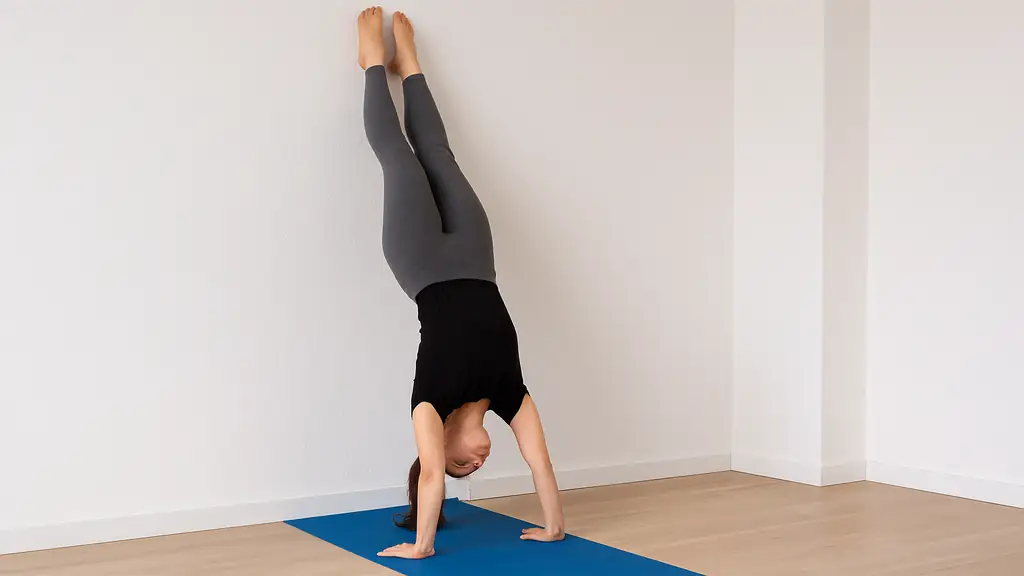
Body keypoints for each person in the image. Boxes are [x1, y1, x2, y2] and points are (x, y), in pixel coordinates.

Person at [356, 7, 565, 560]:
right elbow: (540, 462)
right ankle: (414, 68)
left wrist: (422, 546)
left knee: (399, 159)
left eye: (461, 465)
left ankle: (374, 65)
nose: (477, 463)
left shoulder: (429, 401)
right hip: (477, 258)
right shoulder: (510, 393)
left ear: (443, 443)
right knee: (440, 155)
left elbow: (429, 477)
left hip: (420, 261)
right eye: (473, 468)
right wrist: (554, 528)